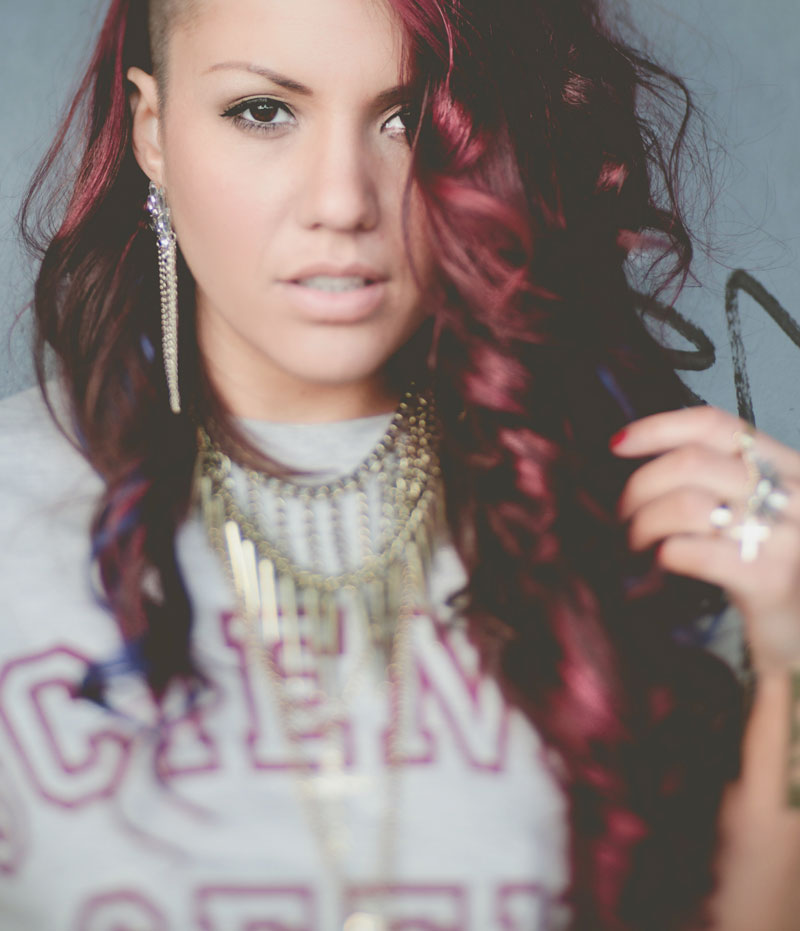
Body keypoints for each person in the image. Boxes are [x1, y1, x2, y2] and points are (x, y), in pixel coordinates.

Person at [1, 0, 799, 928]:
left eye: (410, 120)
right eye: (264, 111)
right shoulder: (17, 513)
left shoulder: (620, 501)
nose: (342, 201)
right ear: (152, 132)